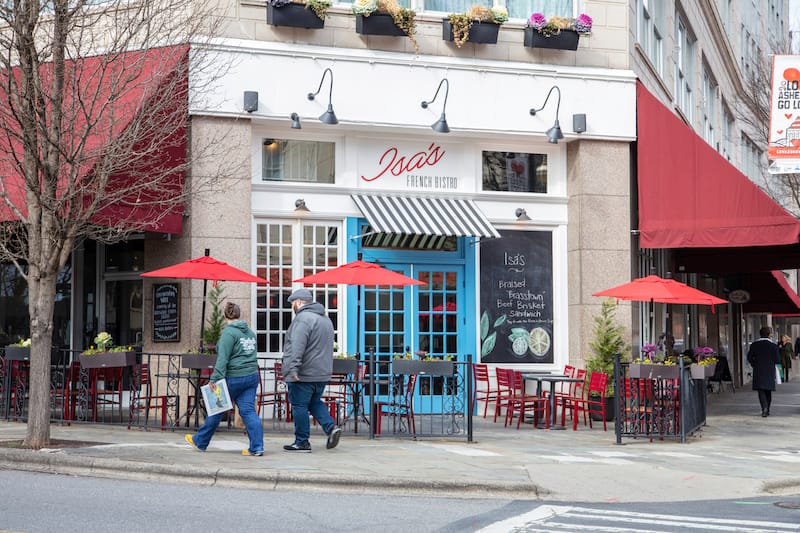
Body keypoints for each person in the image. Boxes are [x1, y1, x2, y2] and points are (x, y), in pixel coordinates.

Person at [185, 301, 264, 456]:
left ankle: (200, 441)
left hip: (233, 377)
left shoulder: (229, 333)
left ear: (226, 315)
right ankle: (257, 447)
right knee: (248, 412)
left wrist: (214, 379)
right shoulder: (250, 333)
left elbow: (222, 360)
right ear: (239, 314)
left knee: (217, 409)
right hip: (251, 376)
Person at [282, 288, 342, 452]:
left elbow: (297, 346)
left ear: (299, 302)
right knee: (314, 402)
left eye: (293, 303)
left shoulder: (303, 319)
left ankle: (302, 442)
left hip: (303, 373)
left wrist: (292, 368)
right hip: (321, 372)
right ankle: (331, 428)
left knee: (299, 405)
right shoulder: (326, 319)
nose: (293, 306)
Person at [746, 326, 780, 417]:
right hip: (769, 370)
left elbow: (749, 357)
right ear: (769, 335)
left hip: (758, 369)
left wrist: (754, 364)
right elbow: (777, 359)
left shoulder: (754, 345)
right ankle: (767, 408)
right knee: (768, 390)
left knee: (761, 390)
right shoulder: (773, 346)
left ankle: (764, 408)